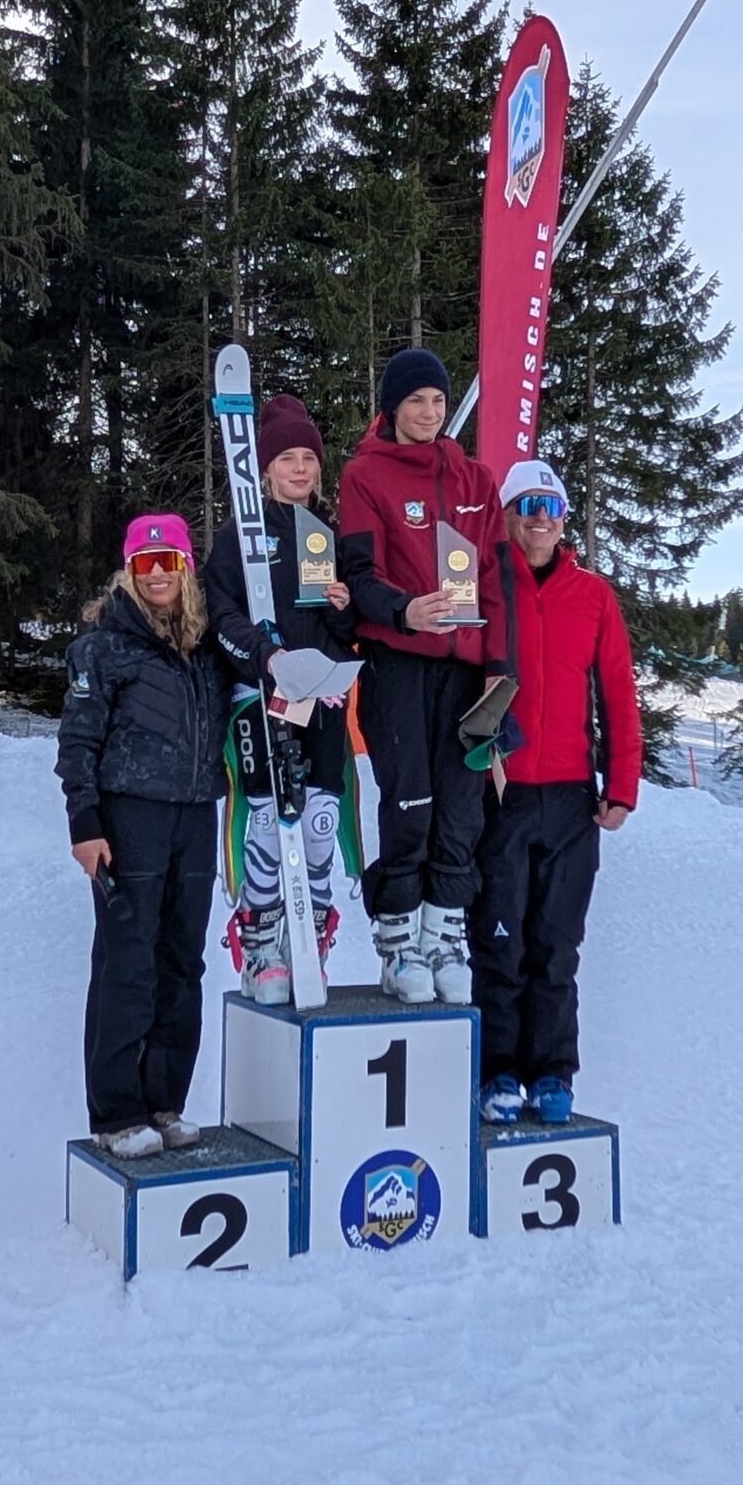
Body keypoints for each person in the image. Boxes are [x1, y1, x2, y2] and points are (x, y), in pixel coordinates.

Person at [338, 346, 514, 1006]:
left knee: (460, 811)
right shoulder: (365, 475)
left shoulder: (476, 481)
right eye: (417, 401)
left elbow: (496, 584)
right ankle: (398, 943)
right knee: (410, 802)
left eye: (438, 400)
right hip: (398, 664)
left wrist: (500, 670)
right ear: (393, 407)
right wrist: (404, 611)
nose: (430, 412)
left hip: (465, 674)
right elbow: (358, 575)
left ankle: (443, 936)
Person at [468, 459, 642, 1126]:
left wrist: (621, 783)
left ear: (564, 520)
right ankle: (498, 1071)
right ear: (508, 516)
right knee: (500, 941)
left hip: (571, 797)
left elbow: (617, 692)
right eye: (528, 505)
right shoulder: (485, 586)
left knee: (556, 945)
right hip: (502, 793)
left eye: (552, 507)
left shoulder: (592, 596)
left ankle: (551, 1073)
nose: (541, 518)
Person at [56, 513, 231, 1158]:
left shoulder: (206, 648)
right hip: (130, 817)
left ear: (186, 569)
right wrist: (84, 822)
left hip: (195, 814)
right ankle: (117, 1113)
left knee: (182, 962)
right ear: (129, 572)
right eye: (145, 564)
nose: (157, 575)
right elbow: (77, 741)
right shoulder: (103, 646)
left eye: (168, 563)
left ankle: (164, 1101)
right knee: (128, 963)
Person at [205, 392, 355, 1005]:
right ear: (264, 469)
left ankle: (311, 936)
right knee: (267, 820)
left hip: (321, 697)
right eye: (287, 458)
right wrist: (263, 657)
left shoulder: (327, 535)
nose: (300, 468)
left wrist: (343, 613)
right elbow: (220, 615)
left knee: (320, 822)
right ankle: (261, 941)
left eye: (309, 458)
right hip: (260, 694)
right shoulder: (237, 536)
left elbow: (346, 630)